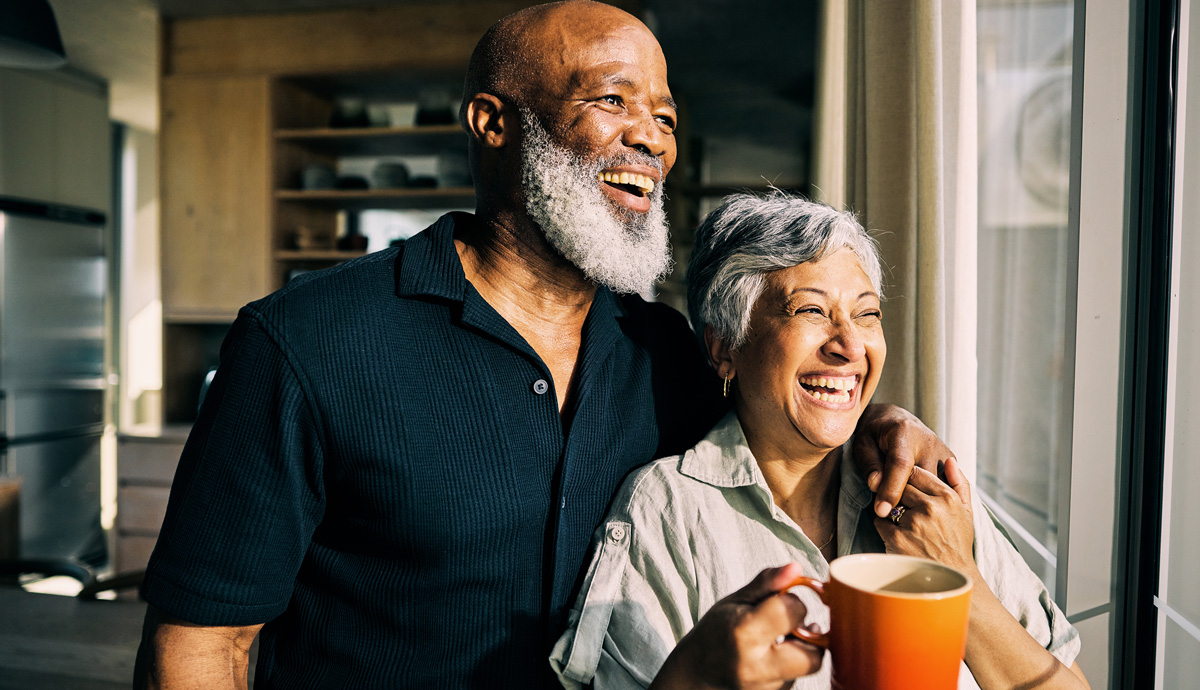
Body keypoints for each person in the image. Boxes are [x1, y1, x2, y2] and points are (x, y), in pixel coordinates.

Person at [134, 3, 951, 688]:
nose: (652, 140)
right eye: (613, 101)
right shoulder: (306, 343)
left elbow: (781, 428)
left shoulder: (664, 354)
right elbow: (204, 641)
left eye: (664, 118)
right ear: (493, 123)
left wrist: (885, 424)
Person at [551, 192, 1090, 690]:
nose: (850, 346)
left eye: (867, 314)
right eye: (811, 310)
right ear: (724, 348)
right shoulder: (666, 511)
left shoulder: (928, 489)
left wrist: (959, 576)